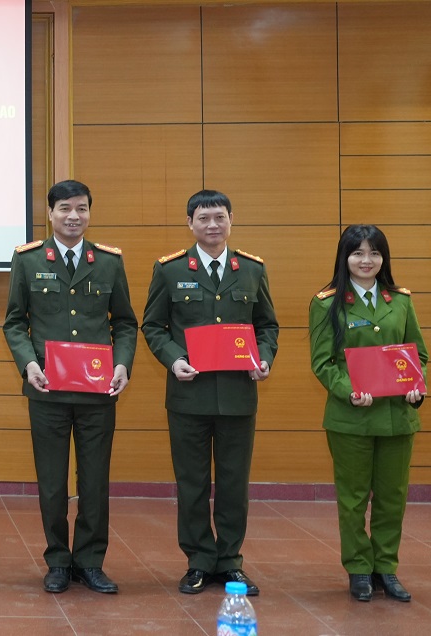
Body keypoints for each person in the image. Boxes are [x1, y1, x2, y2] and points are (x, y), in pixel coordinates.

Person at [3, 179, 138, 595]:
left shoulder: (109, 262)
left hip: (98, 392)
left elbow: (125, 323)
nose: (73, 216)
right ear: (50, 214)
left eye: (81, 208)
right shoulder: (27, 260)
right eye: (64, 208)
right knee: (52, 482)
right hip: (47, 390)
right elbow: (14, 322)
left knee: (94, 480)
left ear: (89, 213)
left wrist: (122, 364)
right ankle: (58, 561)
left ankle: (90, 562)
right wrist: (28, 363)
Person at [141, 189, 278, 596]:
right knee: (192, 483)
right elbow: (153, 326)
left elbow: (267, 326)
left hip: (238, 396)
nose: (212, 225)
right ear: (190, 223)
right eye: (203, 218)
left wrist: (264, 358)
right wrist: (173, 360)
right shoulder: (169, 269)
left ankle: (230, 562)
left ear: (231, 219)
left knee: (234, 484)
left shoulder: (251, 269)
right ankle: (199, 561)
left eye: (220, 217)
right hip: (189, 396)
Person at [308, 224, 427, 602]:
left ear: (383, 258)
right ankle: (359, 568)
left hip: (397, 417)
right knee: (353, 498)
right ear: (345, 258)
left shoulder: (401, 301)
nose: (366, 260)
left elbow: (420, 356)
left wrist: (417, 387)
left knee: (393, 497)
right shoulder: (326, 303)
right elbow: (323, 363)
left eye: (374, 253)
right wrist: (349, 391)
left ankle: (386, 567)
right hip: (351, 418)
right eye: (357, 253)